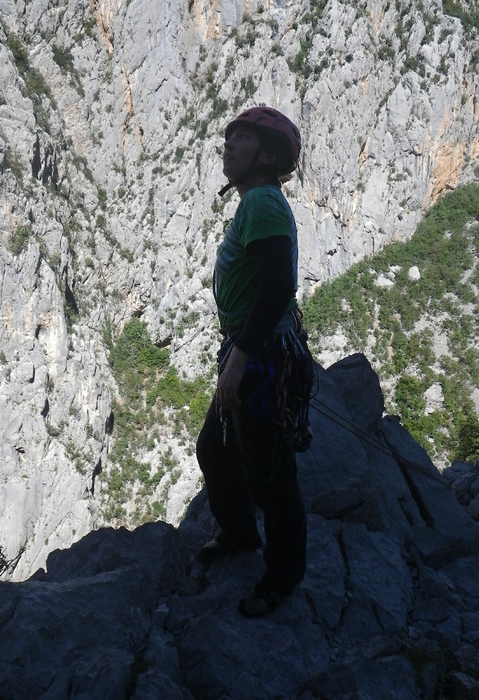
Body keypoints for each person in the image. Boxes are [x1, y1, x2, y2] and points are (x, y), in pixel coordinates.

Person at [196, 106, 312, 618]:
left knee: (271, 474)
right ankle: (241, 534)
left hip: (260, 356)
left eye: (241, 138)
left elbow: (277, 285)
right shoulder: (255, 202)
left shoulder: (262, 201)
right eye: (229, 137)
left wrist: (239, 360)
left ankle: (281, 579)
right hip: (252, 348)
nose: (228, 145)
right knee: (216, 449)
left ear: (266, 157)